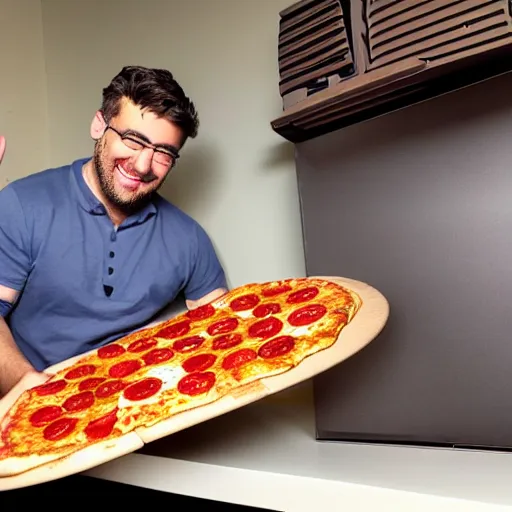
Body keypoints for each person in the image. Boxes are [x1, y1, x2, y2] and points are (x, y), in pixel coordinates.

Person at [0, 66, 228, 397]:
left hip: (137, 410)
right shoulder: (22, 204)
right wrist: (29, 385)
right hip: (32, 410)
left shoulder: (190, 240)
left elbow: (223, 335)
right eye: (134, 140)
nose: (143, 165)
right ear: (99, 125)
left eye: (164, 153)